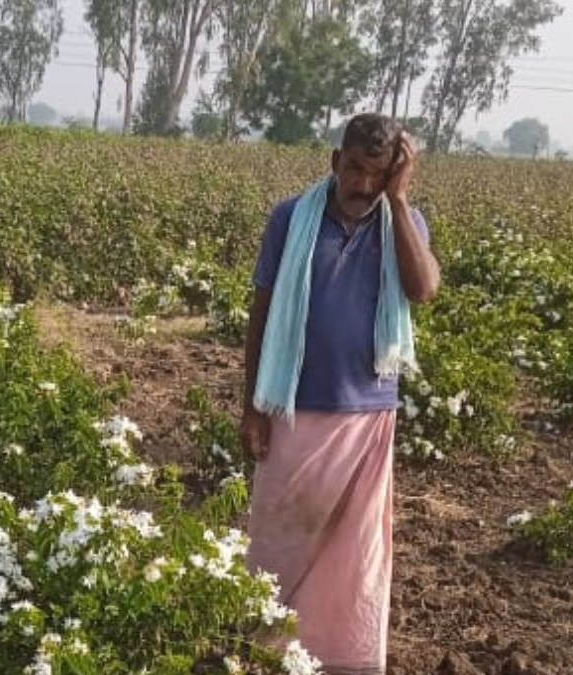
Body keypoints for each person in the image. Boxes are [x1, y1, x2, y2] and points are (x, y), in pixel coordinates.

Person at [239, 113, 441, 675]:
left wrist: (398, 202)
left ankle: (342, 660)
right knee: (280, 543)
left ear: (393, 174)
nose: (362, 184)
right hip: (292, 407)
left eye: (377, 174)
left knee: (356, 555)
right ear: (334, 161)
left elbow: (424, 289)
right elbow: (261, 312)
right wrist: (252, 406)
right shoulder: (290, 219)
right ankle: (266, 653)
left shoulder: (402, 222)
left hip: (368, 414)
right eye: (353, 168)